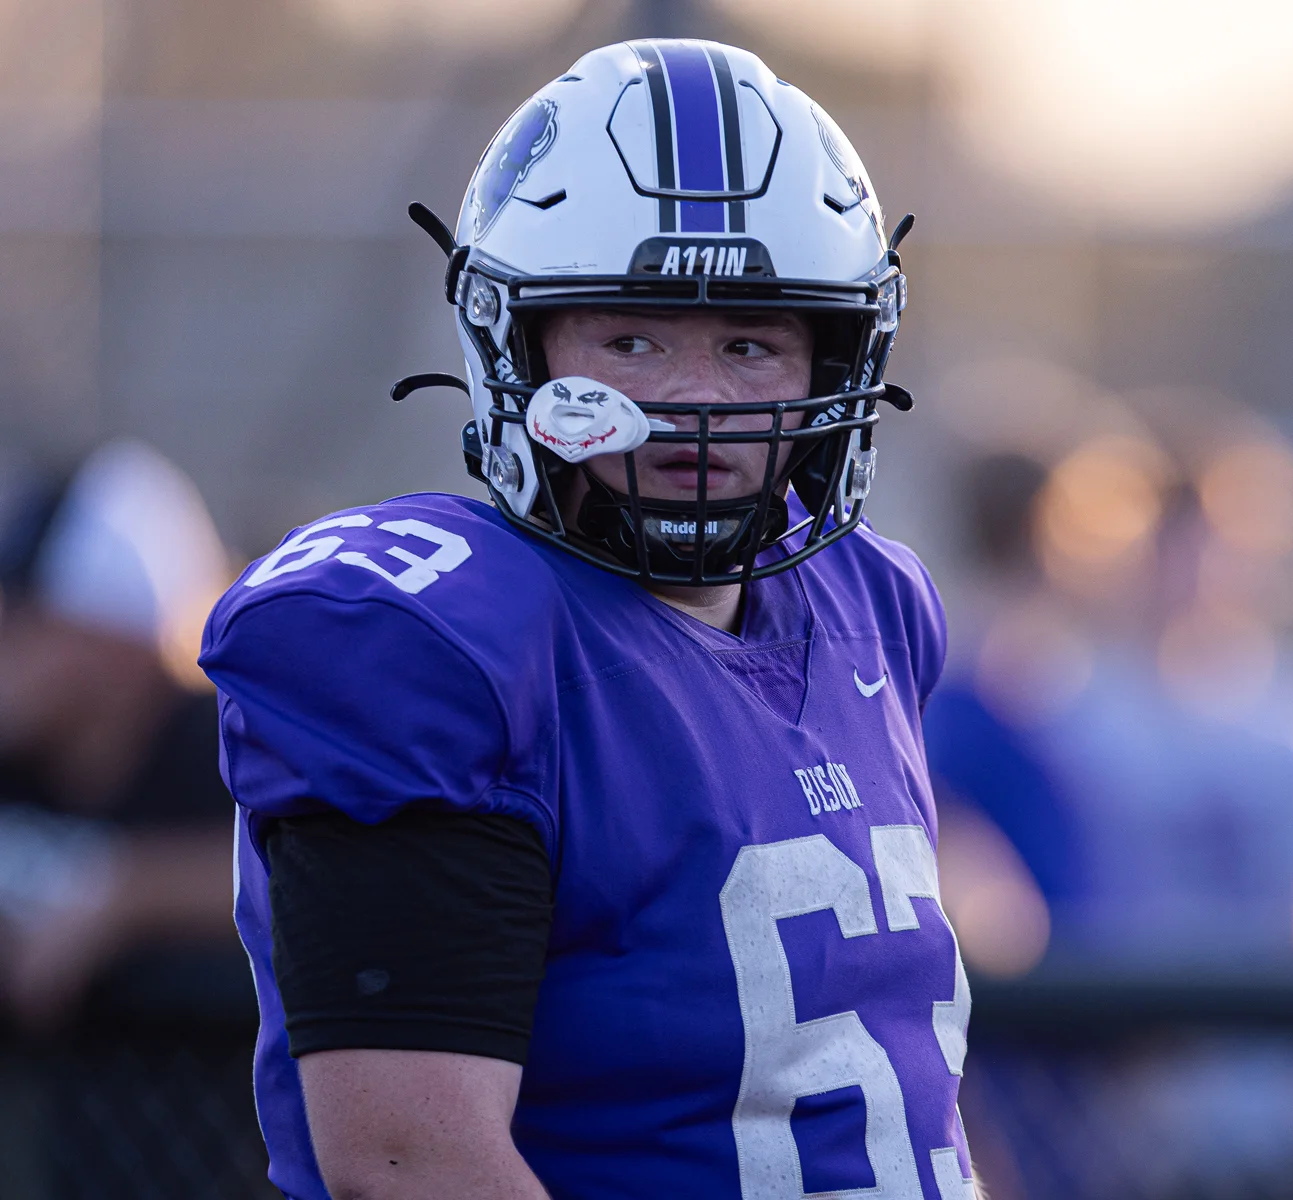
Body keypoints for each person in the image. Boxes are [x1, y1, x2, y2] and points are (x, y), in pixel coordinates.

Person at [200, 39, 977, 1200]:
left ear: (838, 359)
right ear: (516, 342)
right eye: (630, 339)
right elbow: (415, 1165)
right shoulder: (433, 645)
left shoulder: (874, 604)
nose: (695, 398)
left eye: (752, 344)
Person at [0, 440, 237, 1029]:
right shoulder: (21, 762)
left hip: (216, 1117)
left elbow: (325, 876)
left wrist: (127, 894)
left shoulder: (236, 750)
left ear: (112, 642)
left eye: (23, 620)